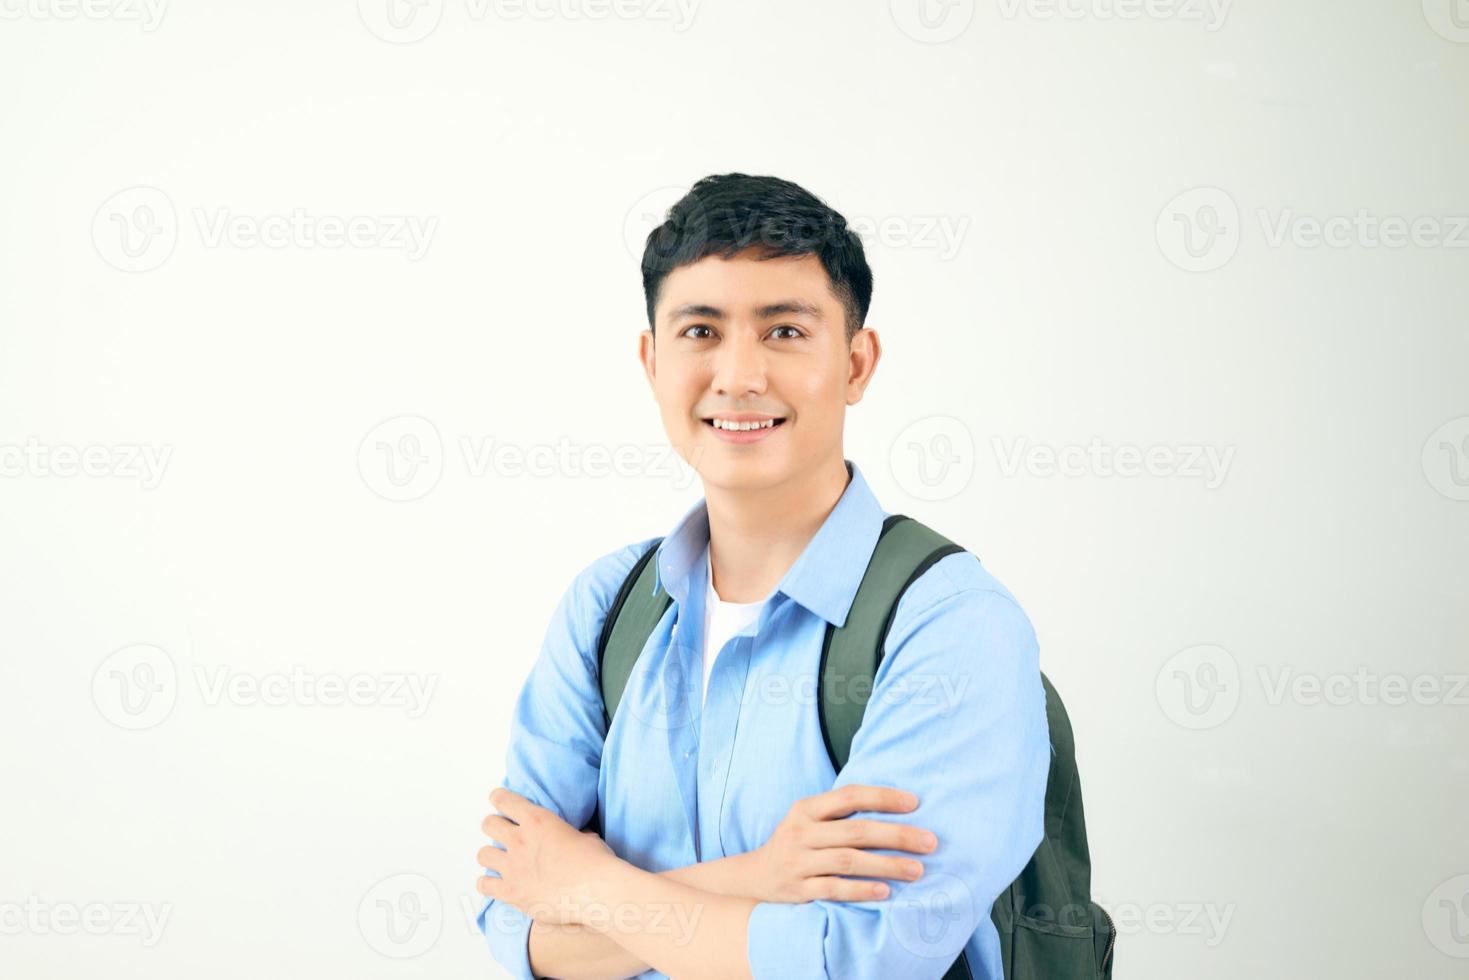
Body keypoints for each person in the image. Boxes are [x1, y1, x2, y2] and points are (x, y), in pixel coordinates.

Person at [474, 173, 1049, 980]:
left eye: (783, 331)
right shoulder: (606, 605)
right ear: (651, 361)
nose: (738, 376)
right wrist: (757, 878)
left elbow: (862, 962)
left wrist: (586, 883)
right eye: (700, 331)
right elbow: (515, 926)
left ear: (856, 363)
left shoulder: (949, 625)